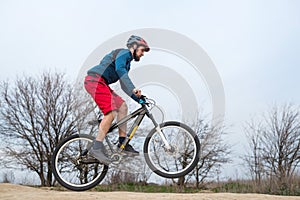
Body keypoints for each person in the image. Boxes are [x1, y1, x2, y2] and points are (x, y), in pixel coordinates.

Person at [84, 35, 150, 165]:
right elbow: (119, 70)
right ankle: (96, 148)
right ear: (134, 47)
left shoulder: (127, 63)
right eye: (142, 50)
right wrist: (134, 88)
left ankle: (122, 143)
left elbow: (124, 86)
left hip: (102, 83)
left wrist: (139, 100)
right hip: (95, 80)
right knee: (112, 111)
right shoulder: (124, 53)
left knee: (123, 107)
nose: (142, 54)